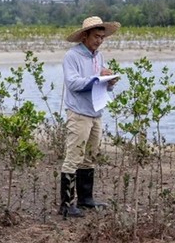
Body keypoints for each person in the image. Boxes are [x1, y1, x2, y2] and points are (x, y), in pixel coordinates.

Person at [59, 16, 120, 218]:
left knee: (90, 157)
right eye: (96, 36)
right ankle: (66, 205)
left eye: (102, 37)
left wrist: (109, 82)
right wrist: (96, 79)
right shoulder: (72, 56)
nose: (99, 41)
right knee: (73, 157)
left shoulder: (98, 56)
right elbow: (73, 83)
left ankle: (86, 199)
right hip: (78, 113)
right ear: (85, 35)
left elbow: (100, 86)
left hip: (96, 112)